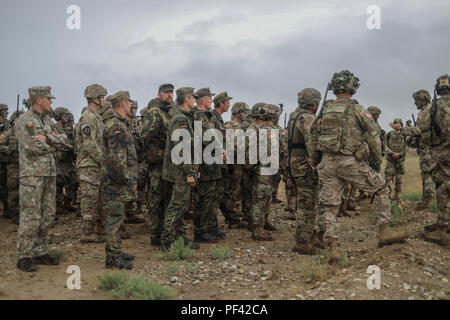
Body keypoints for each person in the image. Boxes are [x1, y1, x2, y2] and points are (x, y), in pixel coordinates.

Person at [309, 70, 407, 263]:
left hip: (326, 164)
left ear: (334, 88)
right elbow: (373, 136)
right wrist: (377, 161)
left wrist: (315, 161)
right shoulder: (358, 110)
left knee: (330, 206)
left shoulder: (325, 109)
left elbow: (312, 137)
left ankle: (333, 248)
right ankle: (384, 231)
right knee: (381, 188)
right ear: (353, 88)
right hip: (348, 162)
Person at [15, 86, 71, 272]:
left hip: (49, 173)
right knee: (31, 215)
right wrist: (51, 141)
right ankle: (24, 255)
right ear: (39, 99)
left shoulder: (47, 120)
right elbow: (33, 146)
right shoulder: (25, 120)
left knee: (48, 214)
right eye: (48, 98)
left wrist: (46, 138)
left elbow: (65, 140)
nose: (51, 101)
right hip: (32, 175)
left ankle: (39, 251)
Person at [103, 91, 138, 269]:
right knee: (114, 219)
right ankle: (113, 257)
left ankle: (115, 251)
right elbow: (117, 159)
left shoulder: (119, 123)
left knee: (117, 217)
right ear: (124, 103)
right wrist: (127, 179)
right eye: (129, 102)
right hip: (116, 182)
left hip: (117, 181)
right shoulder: (115, 125)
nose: (131, 105)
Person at [161, 87, 200, 250]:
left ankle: (179, 237)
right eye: (193, 98)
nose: (194, 101)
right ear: (186, 99)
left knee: (182, 205)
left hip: (182, 170)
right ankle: (166, 239)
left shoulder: (183, 117)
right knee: (176, 205)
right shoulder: (180, 118)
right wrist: (189, 172)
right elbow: (181, 148)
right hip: (179, 172)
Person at [286, 88, 322, 254]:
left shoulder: (294, 115)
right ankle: (302, 242)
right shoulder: (306, 117)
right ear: (313, 103)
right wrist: (317, 163)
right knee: (307, 204)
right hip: (304, 164)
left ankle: (311, 235)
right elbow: (311, 141)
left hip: (295, 162)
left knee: (309, 201)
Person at [140, 83, 175, 246]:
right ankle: (156, 234)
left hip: (170, 164)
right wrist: (157, 156)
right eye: (166, 92)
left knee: (168, 198)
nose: (170, 95)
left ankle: (166, 234)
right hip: (158, 164)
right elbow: (147, 137)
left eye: (171, 92)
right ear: (159, 94)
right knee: (155, 199)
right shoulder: (154, 113)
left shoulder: (172, 112)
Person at [74, 84, 107, 243]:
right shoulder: (88, 117)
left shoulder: (96, 117)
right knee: (89, 199)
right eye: (102, 97)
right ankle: (87, 232)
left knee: (98, 199)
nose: (104, 100)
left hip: (95, 165)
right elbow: (90, 144)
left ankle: (99, 229)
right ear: (95, 99)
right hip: (89, 165)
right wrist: (104, 161)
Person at [192, 88, 224, 242]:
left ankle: (211, 226)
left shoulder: (207, 116)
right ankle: (200, 231)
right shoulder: (198, 116)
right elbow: (206, 138)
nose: (211, 101)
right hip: (205, 162)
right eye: (209, 98)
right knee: (204, 198)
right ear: (203, 100)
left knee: (213, 196)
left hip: (212, 162)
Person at [246, 104, 281, 241]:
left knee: (265, 197)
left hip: (262, 168)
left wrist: (249, 166)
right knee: (261, 198)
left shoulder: (258, 130)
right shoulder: (271, 131)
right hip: (266, 169)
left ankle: (262, 223)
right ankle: (258, 228)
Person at [212, 92, 246, 229]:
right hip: (225, 162)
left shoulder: (220, 119)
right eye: (227, 102)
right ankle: (230, 218)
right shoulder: (217, 119)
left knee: (227, 192)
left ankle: (232, 217)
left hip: (228, 162)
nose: (229, 104)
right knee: (225, 193)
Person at [409, 90, 436, 209]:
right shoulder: (423, 112)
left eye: (416, 101)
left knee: (427, 173)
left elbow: (421, 129)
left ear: (423, 100)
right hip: (424, 148)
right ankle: (426, 198)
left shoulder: (427, 111)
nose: (415, 103)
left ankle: (429, 198)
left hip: (428, 148)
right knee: (425, 173)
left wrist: (404, 130)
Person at [53, 107, 77, 214]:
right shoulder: (52, 128)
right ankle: (58, 205)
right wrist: (67, 145)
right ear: (59, 116)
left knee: (74, 181)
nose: (66, 117)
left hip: (68, 160)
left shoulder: (69, 128)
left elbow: (73, 141)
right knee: (58, 183)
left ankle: (67, 204)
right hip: (58, 161)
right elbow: (56, 143)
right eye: (64, 115)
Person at [385, 118, 408, 201]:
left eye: (399, 123)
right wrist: (392, 153)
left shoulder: (404, 135)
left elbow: (406, 147)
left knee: (399, 178)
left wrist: (400, 154)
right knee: (387, 178)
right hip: (390, 160)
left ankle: (397, 195)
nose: (397, 125)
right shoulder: (389, 134)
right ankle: (386, 195)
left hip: (400, 160)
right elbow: (385, 146)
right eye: (395, 123)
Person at [0, 103, 10, 218]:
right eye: (4, 110)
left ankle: (7, 208)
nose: (6, 112)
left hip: (4, 160)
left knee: (5, 184)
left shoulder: (7, 124)